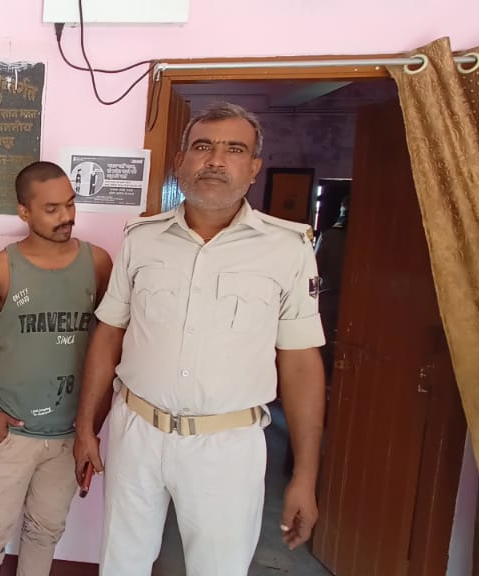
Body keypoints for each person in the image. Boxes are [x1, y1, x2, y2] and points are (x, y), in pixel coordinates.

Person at [73, 102, 327, 575]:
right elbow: (109, 334)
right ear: (181, 161)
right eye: (203, 146)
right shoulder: (141, 238)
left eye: (235, 150)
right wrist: (88, 427)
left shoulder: (286, 249)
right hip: (137, 431)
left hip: (227, 446)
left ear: (254, 168)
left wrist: (305, 474)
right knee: (121, 563)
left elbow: (300, 363)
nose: (216, 160)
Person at [0, 161, 112, 576]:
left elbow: (111, 344)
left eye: (70, 204)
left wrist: (92, 427)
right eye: (51, 209)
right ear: (24, 212)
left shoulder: (98, 263)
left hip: (70, 435)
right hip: (12, 432)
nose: (66, 216)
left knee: (45, 533)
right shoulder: (0, 267)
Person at [315, 194, 349, 378]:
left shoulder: (330, 237)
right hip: (353, 300)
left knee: (323, 340)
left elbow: (315, 269)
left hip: (329, 296)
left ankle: (325, 377)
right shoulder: (369, 239)